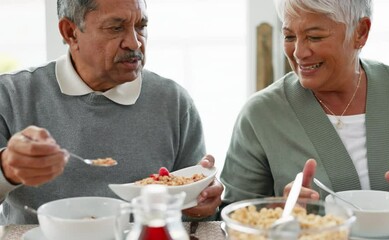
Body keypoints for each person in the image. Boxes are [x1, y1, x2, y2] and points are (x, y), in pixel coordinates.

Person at [220, 0, 389, 225]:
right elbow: (230, 219)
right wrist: (279, 211)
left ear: (360, 32)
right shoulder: (261, 115)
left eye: (314, 37)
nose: (299, 52)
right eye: (290, 36)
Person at [0, 0, 223, 224]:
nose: (135, 42)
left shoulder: (174, 101)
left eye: (141, 26)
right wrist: (7, 168)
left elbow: (197, 215)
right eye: (116, 28)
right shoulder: (11, 95)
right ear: (71, 33)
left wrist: (202, 203)